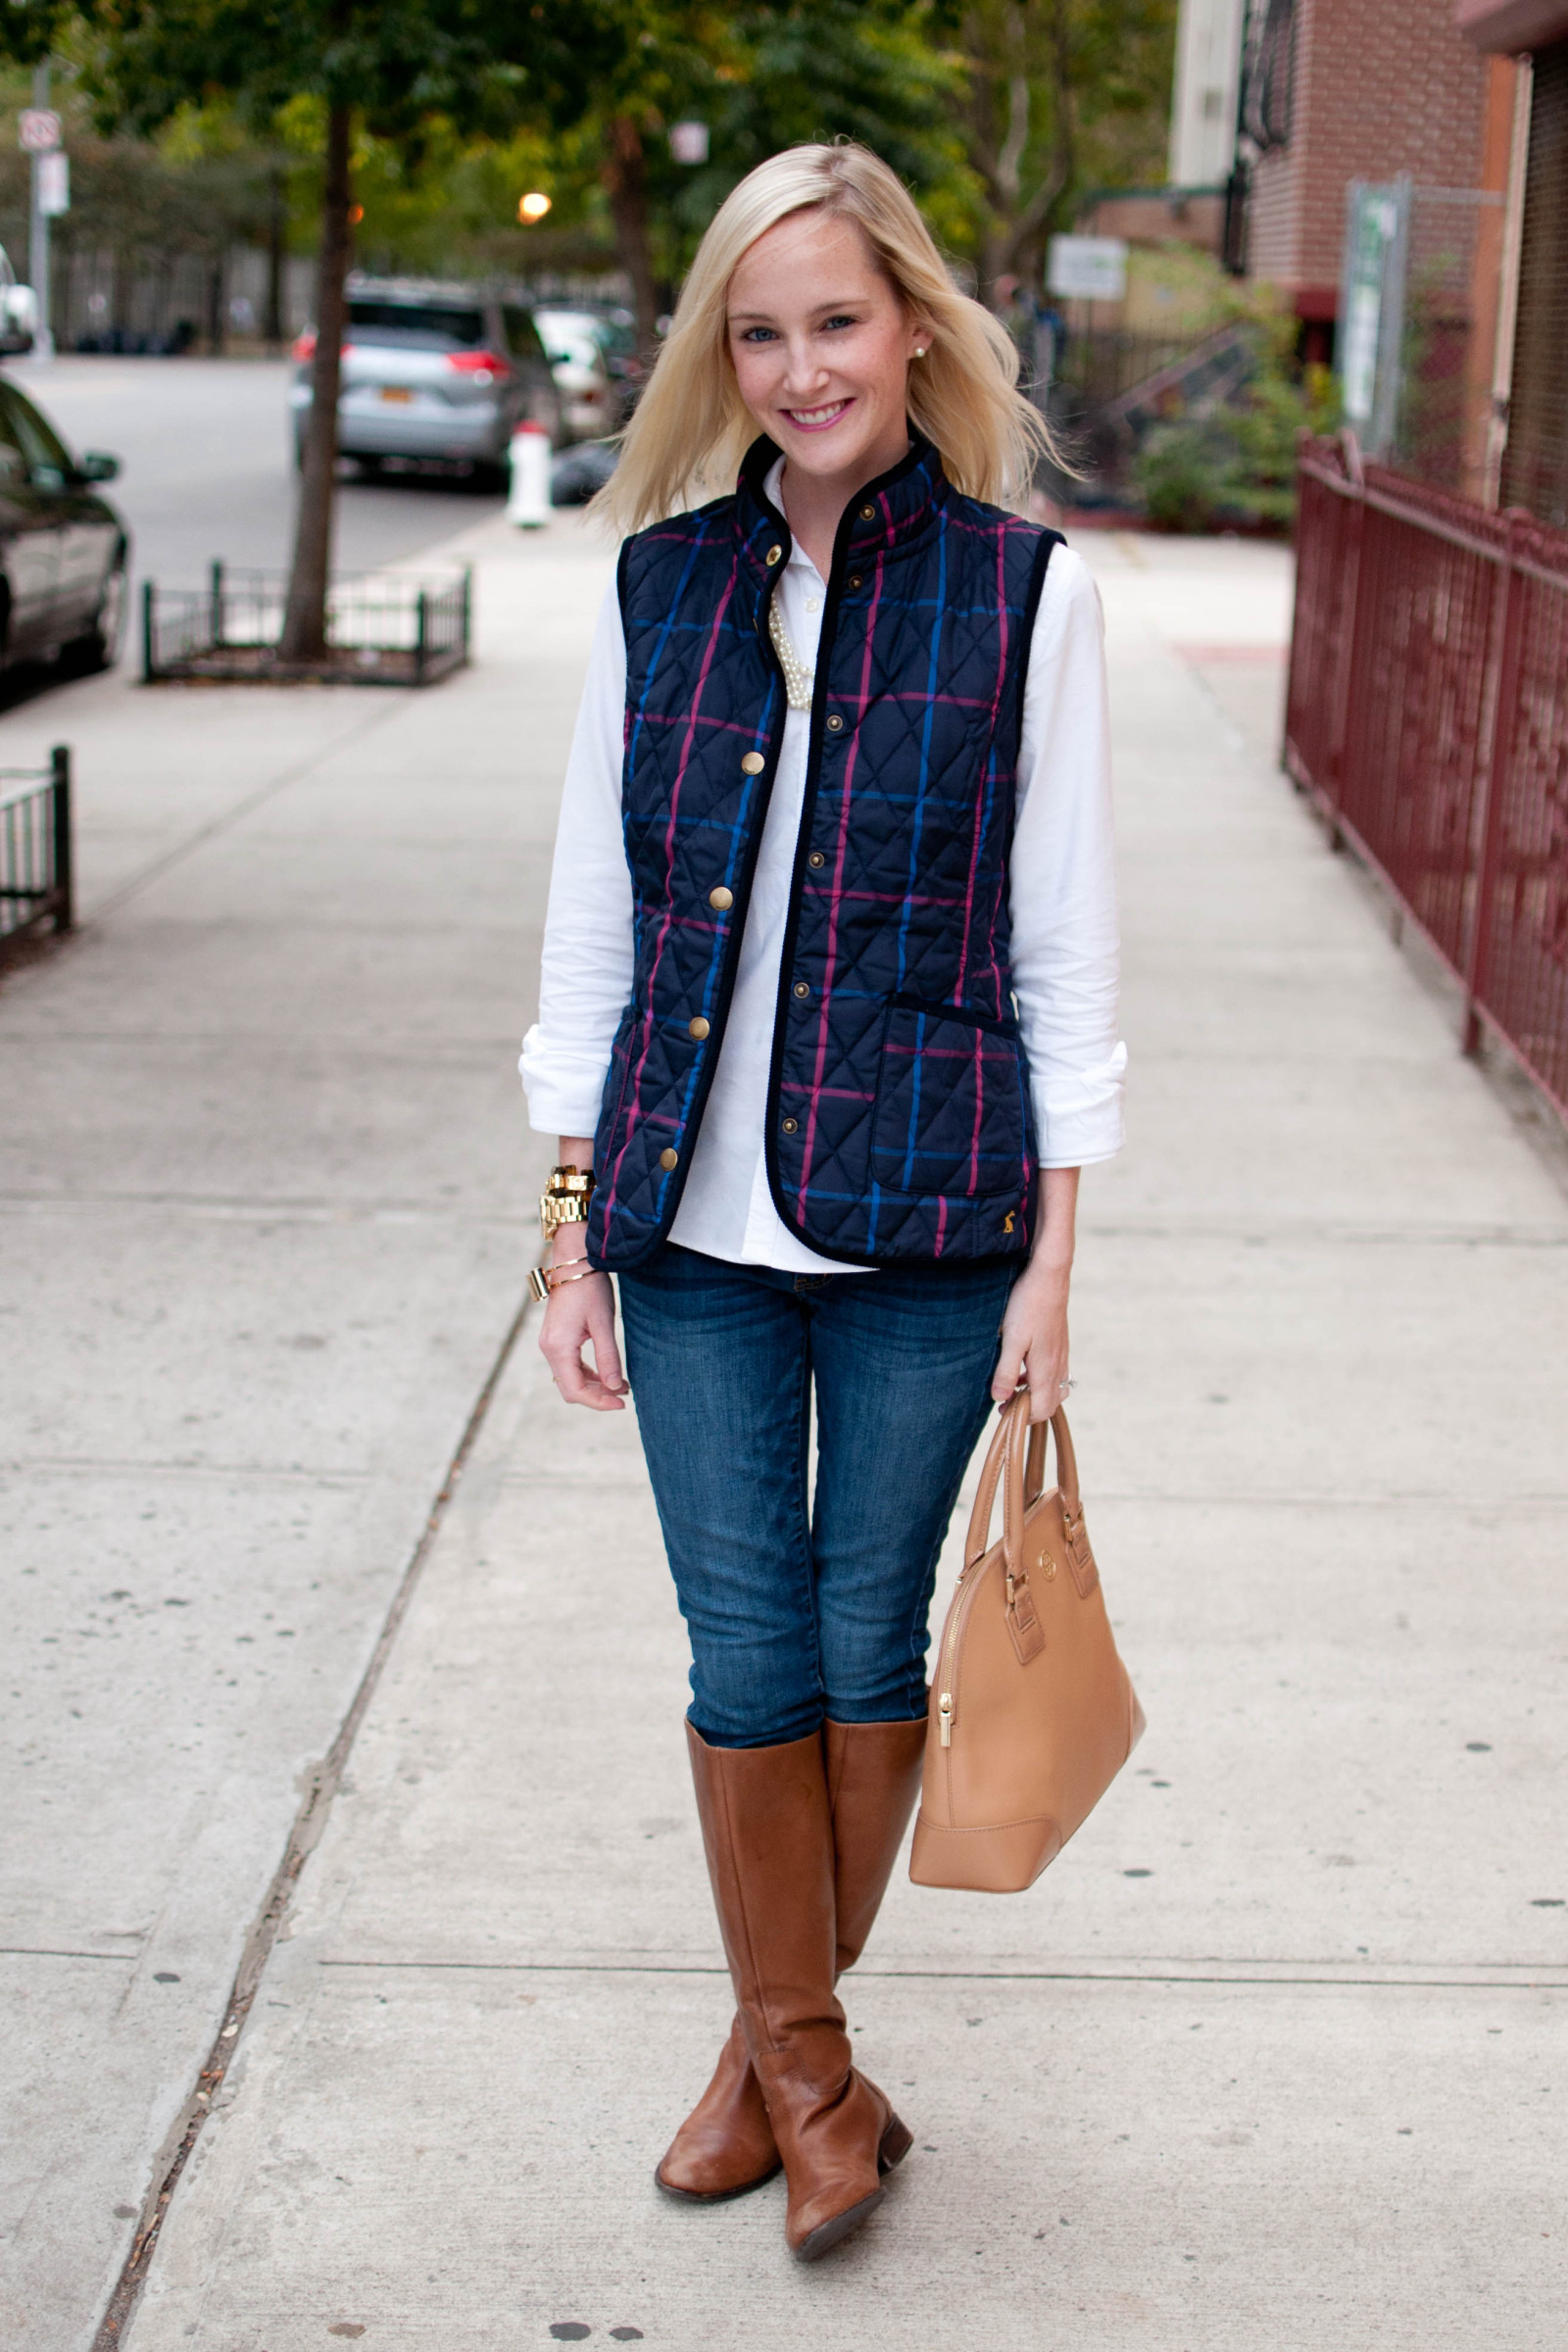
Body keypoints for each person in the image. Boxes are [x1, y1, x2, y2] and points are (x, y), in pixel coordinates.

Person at [519, 141, 1124, 2264]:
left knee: (864, 1642)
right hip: (684, 1222)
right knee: (742, 1644)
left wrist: (1056, 1261)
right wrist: (574, 1219)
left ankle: (765, 2052)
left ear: (913, 331)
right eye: (756, 332)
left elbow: (1063, 952)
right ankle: (810, 2066)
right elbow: (593, 922)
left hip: (928, 1223)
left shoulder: (1023, 591)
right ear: (720, 351)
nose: (797, 369)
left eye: (835, 323)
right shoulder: (655, 587)